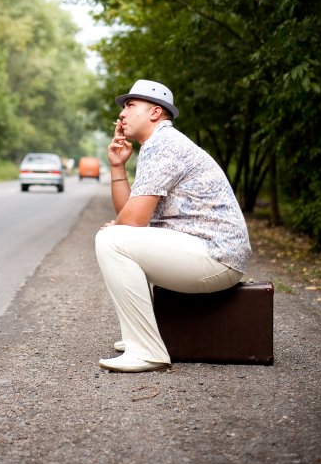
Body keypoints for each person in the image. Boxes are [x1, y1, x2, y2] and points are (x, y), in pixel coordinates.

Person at [95, 79, 251, 373]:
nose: (122, 114)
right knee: (116, 237)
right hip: (208, 252)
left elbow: (133, 221)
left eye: (130, 105)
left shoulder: (165, 145)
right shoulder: (156, 145)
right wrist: (117, 167)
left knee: (110, 240)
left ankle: (147, 352)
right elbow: (130, 216)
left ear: (155, 113)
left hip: (216, 255)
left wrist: (119, 227)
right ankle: (138, 339)